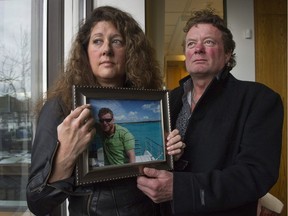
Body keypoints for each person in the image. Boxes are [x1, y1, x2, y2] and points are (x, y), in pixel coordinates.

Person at [26, 6, 185, 216]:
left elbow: (157, 175)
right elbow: (37, 201)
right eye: (97, 41)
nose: (106, 50)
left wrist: (171, 155)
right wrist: (66, 156)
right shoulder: (61, 107)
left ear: (130, 51)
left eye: (117, 41)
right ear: (85, 51)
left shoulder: (152, 102)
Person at [137, 8, 284, 216]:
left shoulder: (259, 99)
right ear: (186, 55)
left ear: (227, 54)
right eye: (191, 44)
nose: (198, 49)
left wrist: (180, 189)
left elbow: (256, 174)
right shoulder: (167, 101)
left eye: (208, 42)